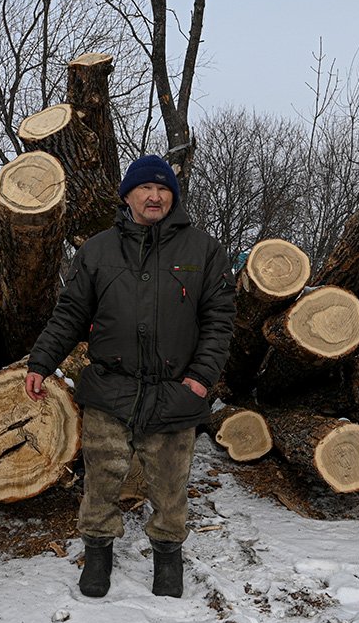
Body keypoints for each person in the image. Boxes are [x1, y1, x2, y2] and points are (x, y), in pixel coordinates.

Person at [25, 153, 235, 599]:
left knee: (171, 485)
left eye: (163, 189)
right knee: (101, 479)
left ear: (173, 197)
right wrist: (41, 362)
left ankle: (167, 555)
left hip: (175, 391)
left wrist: (200, 379)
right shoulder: (98, 250)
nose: (154, 195)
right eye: (145, 188)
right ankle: (97, 553)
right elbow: (70, 314)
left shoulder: (203, 250)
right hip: (110, 388)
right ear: (128, 196)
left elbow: (219, 320)